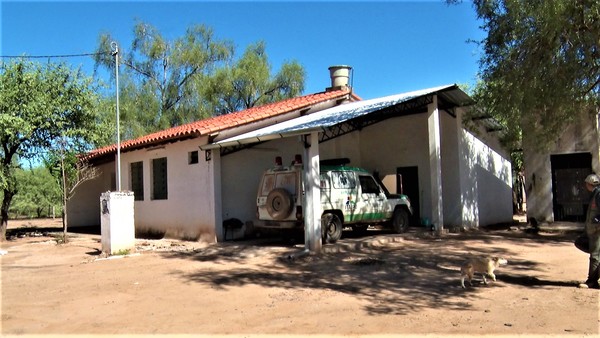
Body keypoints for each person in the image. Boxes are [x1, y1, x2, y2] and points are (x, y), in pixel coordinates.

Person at [578, 173, 600, 289]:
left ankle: (591, 281)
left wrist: (597, 220)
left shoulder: (598, 194)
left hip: (597, 231)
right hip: (593, 231)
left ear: (589, 184)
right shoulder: (595, 194)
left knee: (595, 256)